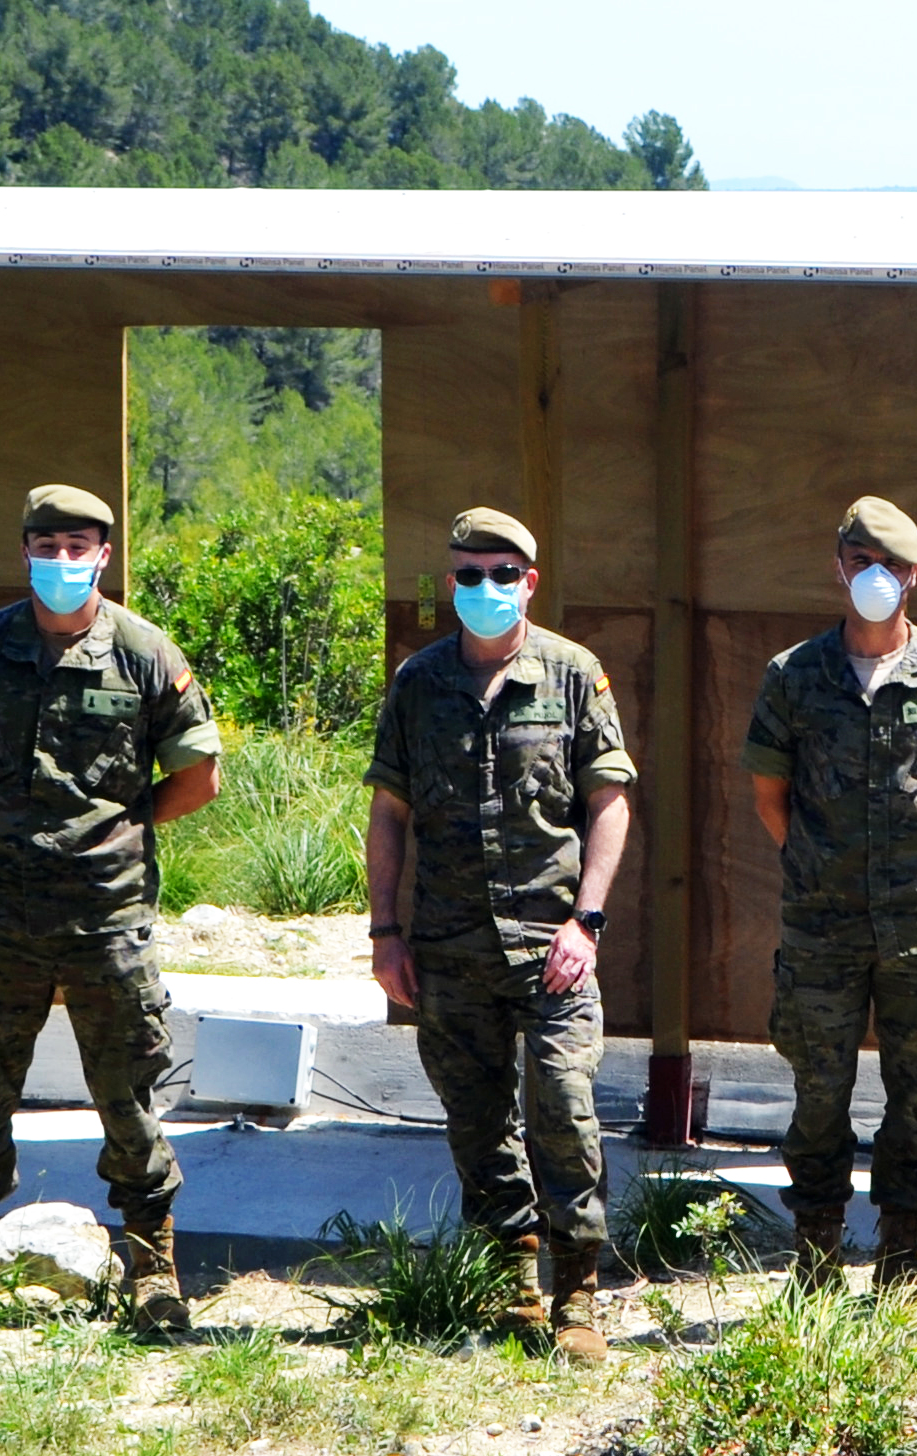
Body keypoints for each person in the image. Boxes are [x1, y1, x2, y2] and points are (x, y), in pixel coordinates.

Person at [0, 484, 221, 1333]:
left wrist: (126, 823)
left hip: (104, 914)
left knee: (127, 1095)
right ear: (26, 554)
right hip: (0, 917)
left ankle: (153, 1269)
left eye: (80, 549)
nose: (63, 564)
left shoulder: (145, 652)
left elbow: (199, 777)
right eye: (48, 549)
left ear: (104, 556)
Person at [363, 507, 635, 1361]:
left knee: (564, 1106)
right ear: (450, 583)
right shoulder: (419, 682)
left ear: (531, 581)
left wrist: (587, 920)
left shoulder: (571, 674)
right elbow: (388, 813)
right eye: (469, 575)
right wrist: (385, 933)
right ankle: (512, 1281)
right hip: (448, 948)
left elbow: (608, 802)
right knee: (476, 1122)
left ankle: (578, 1296)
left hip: (552, 946)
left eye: (502, 575)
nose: (485, 590)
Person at [743, 496, 917, 1293]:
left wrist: (907, 873)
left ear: (914, 578)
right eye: (862, 564)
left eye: (891, 568)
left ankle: (900, 1255)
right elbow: (769, 798)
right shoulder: (794, 677)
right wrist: (826, 869)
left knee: (916, 1099)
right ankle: (816, 1256)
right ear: (839, 567)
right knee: (819, 1095)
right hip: (822, 927)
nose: (875, 579)